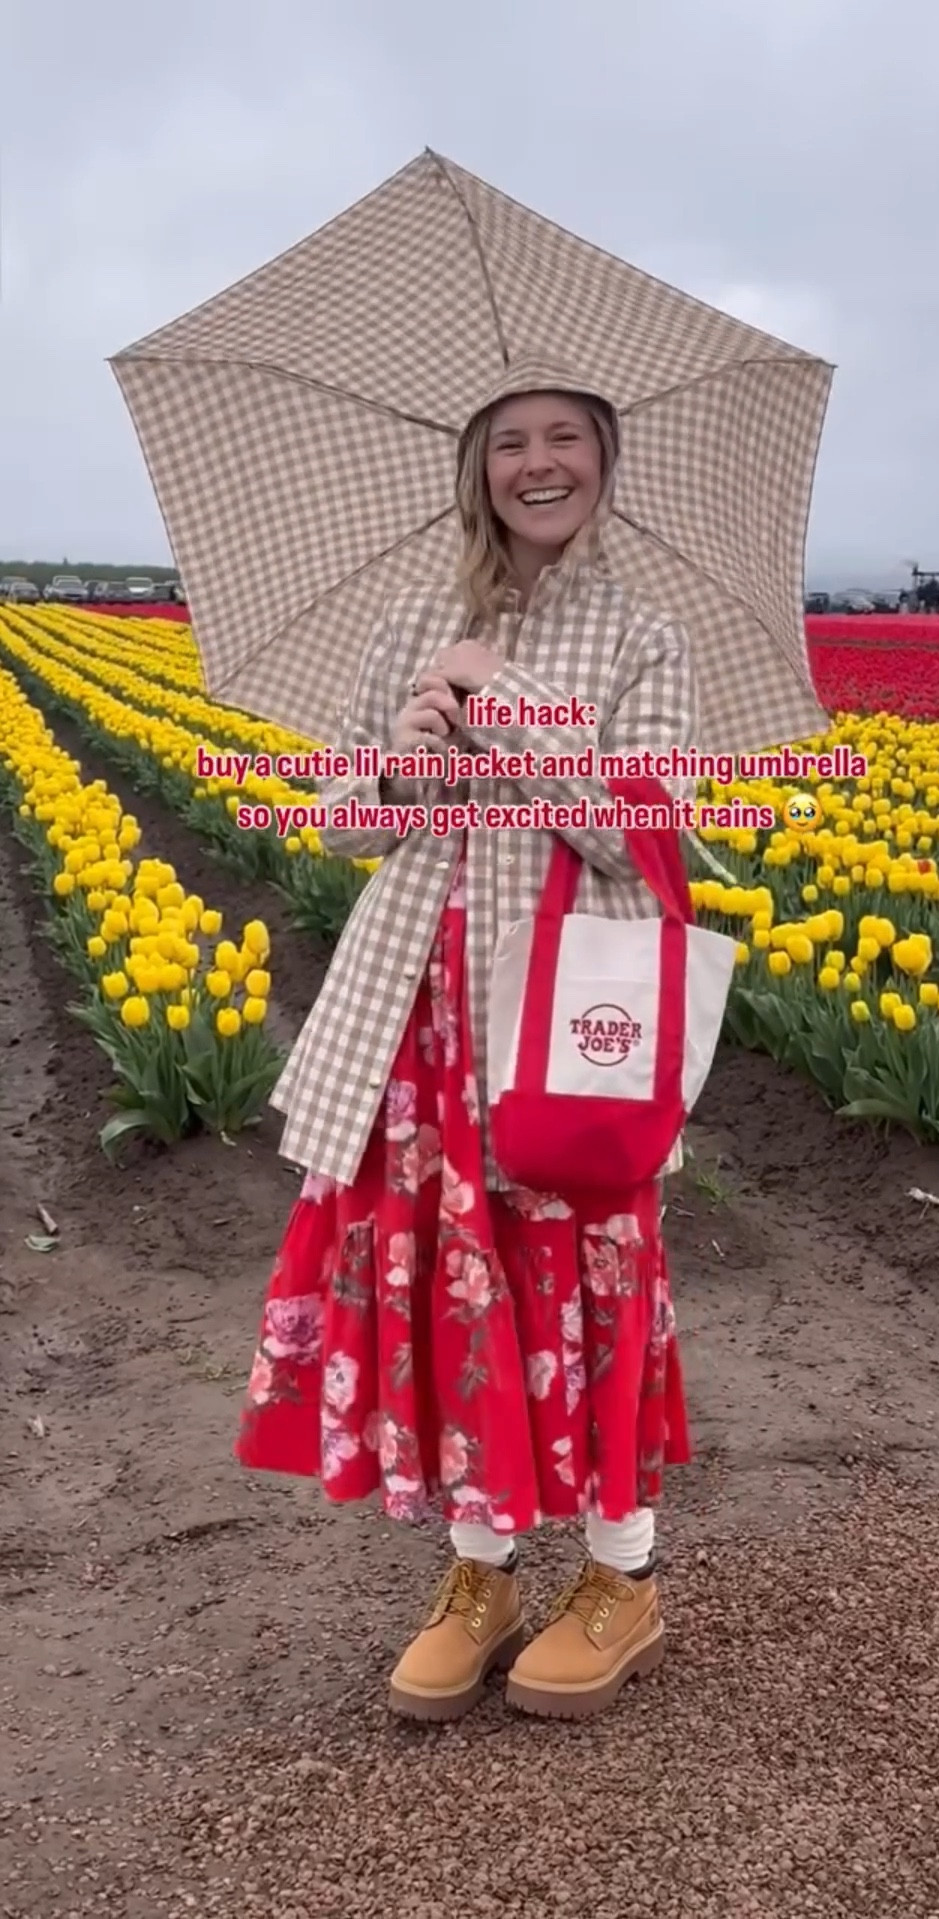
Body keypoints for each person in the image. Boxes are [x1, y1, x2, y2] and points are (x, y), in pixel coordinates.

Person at [234, 377, 699, 1723]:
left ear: (604, 464)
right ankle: (482, 1566)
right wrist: (404, 764)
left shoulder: (642, 638)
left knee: (583, 1269)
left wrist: (518, 710)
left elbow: (648, 828)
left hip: (563, 1022)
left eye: (565, 441)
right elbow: (335, 820)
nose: (537, 464)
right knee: (455, 1279)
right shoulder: (413, 626)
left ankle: (622, 1572)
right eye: (511, 444)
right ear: (475, 468)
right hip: (417, 1011)